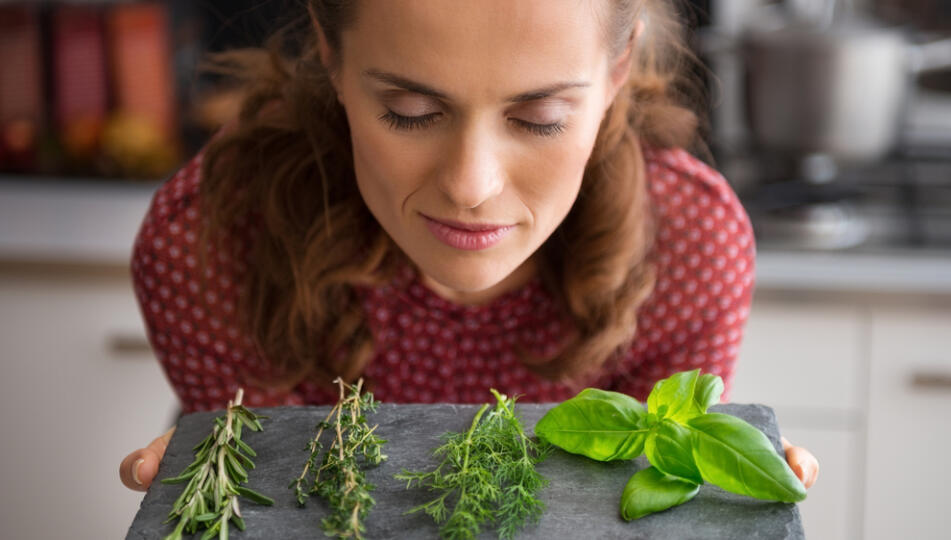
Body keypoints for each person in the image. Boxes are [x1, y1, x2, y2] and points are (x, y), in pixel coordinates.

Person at [120, 0, 819, 493]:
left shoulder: (691, 249)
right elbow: (291, 508)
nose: (469, 186)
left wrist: (716, 491)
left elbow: (634, 498)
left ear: (617, 69)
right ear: (330, 52)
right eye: (411, 112)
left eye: (540, 117)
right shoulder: (207, 243)